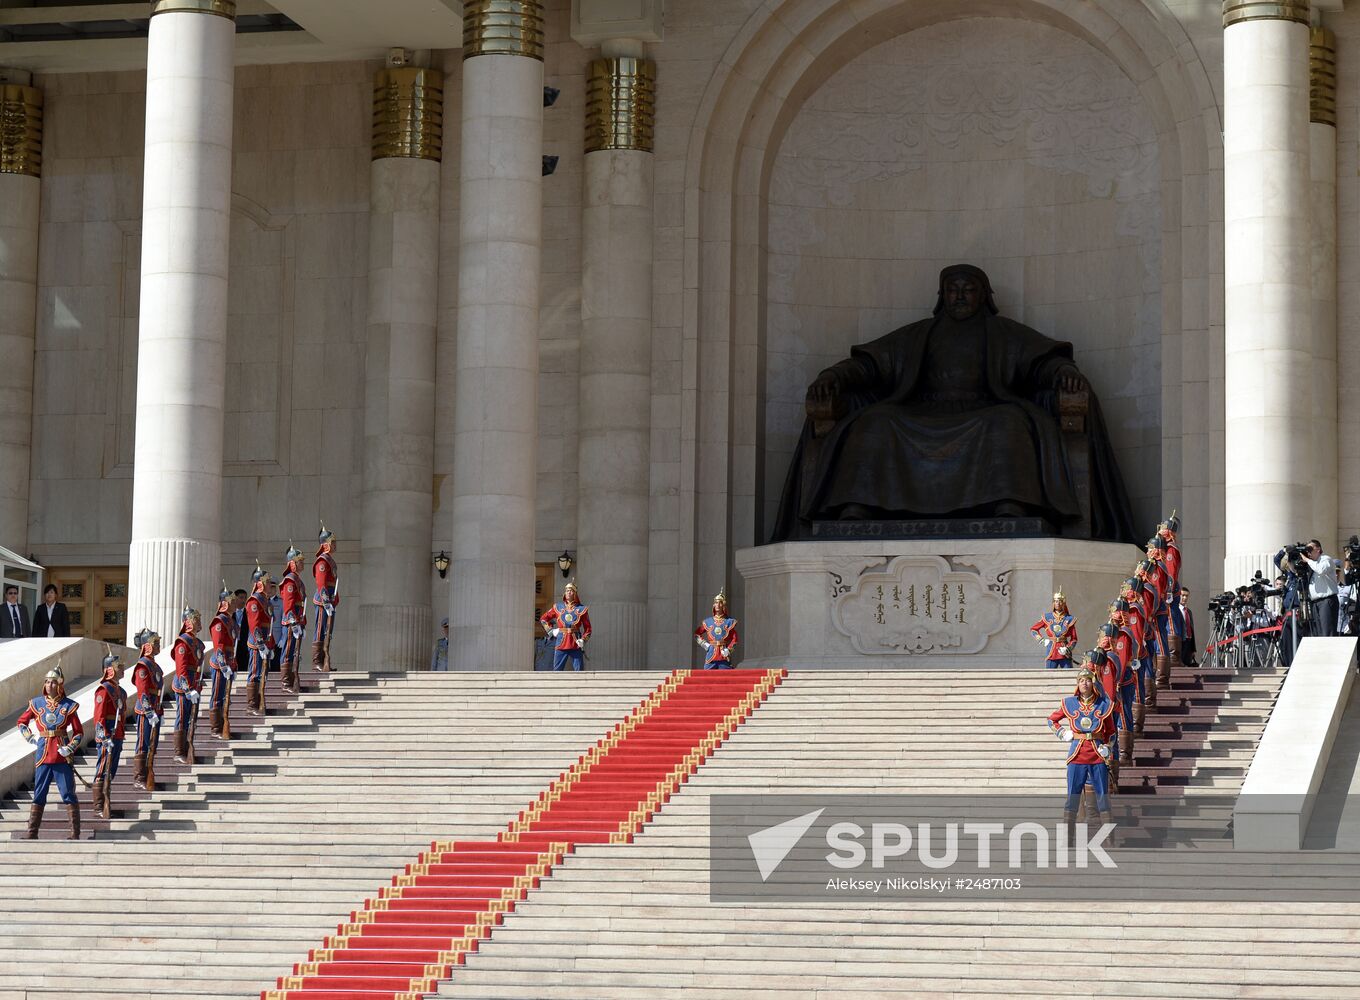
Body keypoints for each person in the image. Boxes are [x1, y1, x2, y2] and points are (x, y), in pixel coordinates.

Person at [772, 264, 1136, 541]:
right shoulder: (919, 334)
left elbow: (1042, 362)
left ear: (984, 296)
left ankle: (1009, 504)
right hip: (922, 410)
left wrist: (1063, 374)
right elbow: (870, 364)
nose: (960, 296)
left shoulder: (1003, 332)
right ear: (942, 296)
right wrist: (834, 376)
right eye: (953, 290)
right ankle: (858, 506)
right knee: (875, 421)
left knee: (1008, 422)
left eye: (969, 289)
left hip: (985, 410)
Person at [1047, 662, 1115, 835]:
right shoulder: (1069, 703)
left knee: (1103, 797)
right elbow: (1051, 720)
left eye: (1088, 680)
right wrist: (1062, 733)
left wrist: (1108, 747)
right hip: (1077, 753)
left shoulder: (1103, 704)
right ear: (1077, 684)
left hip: (1097, 754)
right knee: (1073, 797)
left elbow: (1111, 731)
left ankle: (1109, 838)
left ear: (1093, 683)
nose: (1084, 683)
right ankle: (1068, 838)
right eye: (1081, 680)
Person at [17, 665, 83, 839]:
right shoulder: (36, 703)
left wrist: (69, 747)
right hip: (43, 753)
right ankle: (32, 832)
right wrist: (29, 737)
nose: (49, 685)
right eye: (47, 682)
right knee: (39, 792)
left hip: (61, 754)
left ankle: (74, 832)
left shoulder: (69, 706)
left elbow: (78, 732)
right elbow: (21, 722)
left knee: (68, 792)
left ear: (60, 685)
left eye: (53, 682)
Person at [90, 646, 127, 819]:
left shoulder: (121, 691)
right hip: (107, 735)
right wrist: (104, 736)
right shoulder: (103, 690)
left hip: (117, 733)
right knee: (103, 769)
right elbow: (99, 716)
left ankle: (106, 802)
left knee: (111, 771)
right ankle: (99, 805)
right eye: (119, 666)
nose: (123, 669)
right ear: (110, 670)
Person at [130, 627, 163, 789]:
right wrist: (149, 711)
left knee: (152, 743)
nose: (158, 646)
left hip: (155, 707)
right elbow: (142, 692)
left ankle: (149, 772)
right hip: (146, 711)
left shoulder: (153, 664)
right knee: (143, 742)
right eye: (155, 643)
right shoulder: (143, 666)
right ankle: (139, 777)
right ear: (147, 645)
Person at [171, 605, 204, 765]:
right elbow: (181, 668)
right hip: (185, 685)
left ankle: (188, 747)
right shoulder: (183, 642)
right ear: (189, 621)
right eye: (196, 619)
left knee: (192, 718)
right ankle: (179, 751)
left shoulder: (197, 642)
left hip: (194, 683)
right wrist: (188, 688)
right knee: (183, 716)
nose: (199, 622)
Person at [244, 564, 276, 715]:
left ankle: (260, 702)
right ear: (260, 584)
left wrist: (271, 644)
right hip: (258, 644)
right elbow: (255, 626)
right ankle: (252, 706)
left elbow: (268, 624)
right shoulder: (254, 601)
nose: (270, 585)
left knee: (263, 674)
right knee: (255, 673)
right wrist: (261, 644)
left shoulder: (266, 601)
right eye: (268, 582)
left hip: (265, 643)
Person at [207, 584, 237, 740]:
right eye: (231, 601)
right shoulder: (219, 622)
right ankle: (216, 728)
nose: (235, 603)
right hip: (220, 664)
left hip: (229, 662)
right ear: (225, 603)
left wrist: (233, 665)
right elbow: (219, 647)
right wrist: (224, 665)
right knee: (217, 696)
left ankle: (223, 724)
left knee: (225, 697)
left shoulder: (231, 621)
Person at [540, 581, 591, 672]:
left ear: (575, 593)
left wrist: (583, 640)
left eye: (571, 590)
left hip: (575, 643)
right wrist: (551, 631)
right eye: (567, 590)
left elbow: (588, 629)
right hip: (561, 642)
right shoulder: (558, 607)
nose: (568, 592)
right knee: (557, 671)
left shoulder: (581, 609)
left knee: (579, 671)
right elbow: (544, 619)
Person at [278, 544, 307, 693]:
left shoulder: (298, 580)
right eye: (299, 561)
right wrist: (294, 622)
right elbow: (288, 604)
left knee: (295, 652)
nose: (302, 563)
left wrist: (303, 623)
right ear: (292, 563)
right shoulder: (290, 580)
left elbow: (301, 603)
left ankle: (292, 680)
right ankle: (286, 682)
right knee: (288, 650)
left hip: (298, 620)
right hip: (291, 621)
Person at [311, 523, 340, 672]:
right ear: (326, 544)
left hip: (329, 600)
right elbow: (321, 583)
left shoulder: (329, 560)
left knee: (327, 631)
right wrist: (326, 600)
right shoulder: (322, 561)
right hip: (324, 601)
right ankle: (317, 661)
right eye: (333, 542)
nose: (335, 545)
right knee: (320, 629)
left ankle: (324, 659)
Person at [1302, 539, 1340, 638]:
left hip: (1326, 601)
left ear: (1318, 549)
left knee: (1327, 631)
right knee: (1319, 633)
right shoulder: (1312, 564)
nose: (1308, 552)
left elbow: (1321, 570)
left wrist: (1308, 560)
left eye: (1310, 549)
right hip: (1315, 602)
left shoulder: (1325, 559)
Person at [1030, 590, 1077, 669]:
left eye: (1060, 601)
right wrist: (1042, 640)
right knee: (1049, 676)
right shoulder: (1047, 617)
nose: (1058, 603)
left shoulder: (1069, 619)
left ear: (1064, 603)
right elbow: (1033, 629)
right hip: (1051, 650)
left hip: (1064, 651)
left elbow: (1074, 639)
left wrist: (1067, 648)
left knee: (1068, 676)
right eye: (1056, 601)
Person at [695, 587, 739, 669]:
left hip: (723, 655)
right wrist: (705, 645)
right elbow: (697, 634)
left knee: (727, 678)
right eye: (716, 603)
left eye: (720, 603)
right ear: (713, 605)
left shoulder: (729, 621)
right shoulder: (708, 622)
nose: (718, 605)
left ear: (723, 605)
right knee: (707, 678)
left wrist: (729, 650)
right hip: (711, 654)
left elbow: (735, 639)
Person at [232, 588, 250, 679]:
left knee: (243, 667)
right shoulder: (230, 613)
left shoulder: (248, 613)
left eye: (245, 598)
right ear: (235, 599)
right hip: (232, 645)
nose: (243, 600)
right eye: (241, 598)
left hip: (244, 644)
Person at [1179, 586, 1198, 666]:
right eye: (1182, 595)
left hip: (1189, 641)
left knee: (1188, 664)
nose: (1184, 598)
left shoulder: (1188, 611)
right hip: (1180, 641)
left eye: (1186, 596)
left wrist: (1193, 648)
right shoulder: (1176, 610)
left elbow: (1191, 629)